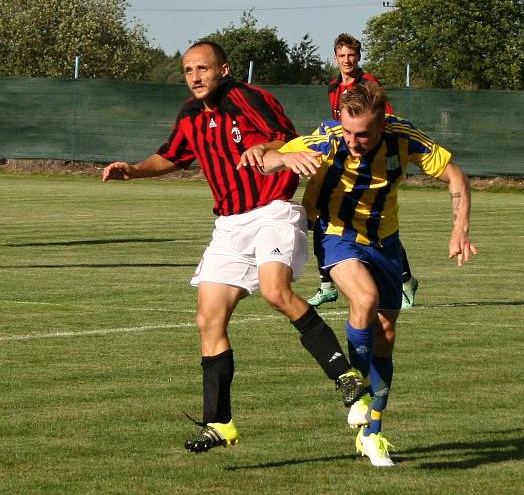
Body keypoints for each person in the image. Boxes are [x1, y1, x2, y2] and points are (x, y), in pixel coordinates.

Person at [101, 41, 364, 453]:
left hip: (273, 211)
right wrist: (132, 171)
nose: (195, 77)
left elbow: (290, 141)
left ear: (223, 69)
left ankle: (345, 376)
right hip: (228, 225)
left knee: (276, 292)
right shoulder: (190, 114)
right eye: (188, 70)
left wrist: (265, 148)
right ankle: (219, 422)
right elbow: (171, 156)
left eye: (202, 68)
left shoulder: (250, 98)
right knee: (208, 320)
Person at [260, 81, 477, 466]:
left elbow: (456, 177)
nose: (353, 140)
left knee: (386, 335)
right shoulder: (327, 140)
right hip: (336, 234)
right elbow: (265, 159)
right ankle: (356, 393)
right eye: (347, 130)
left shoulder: (402, 138)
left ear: (382, 124)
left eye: (363, 134)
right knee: (365, 299)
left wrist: (460, 228)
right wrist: (285, 159)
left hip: (386, 242)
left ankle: (372, 433)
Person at [309, 32, 419, 311]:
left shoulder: (369, 83)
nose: (347, 60)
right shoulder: (333, 86)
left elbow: (385, 117)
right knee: (323, 215)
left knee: (377, 225)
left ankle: (405, 280)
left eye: (352, 55)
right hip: (341, 160)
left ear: (358, 57)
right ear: (335, 57)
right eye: (342, 55)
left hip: (369, 163)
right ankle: (326, 285)